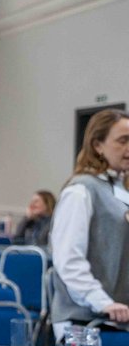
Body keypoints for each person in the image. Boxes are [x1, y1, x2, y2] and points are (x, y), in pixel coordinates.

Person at [50, 108, 129, 334]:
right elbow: (68, 260)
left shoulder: (119, 191)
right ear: (98, 146)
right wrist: (103, 302)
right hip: (85, 323)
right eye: (122, 141)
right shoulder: (81, 190)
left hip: (118, 323)